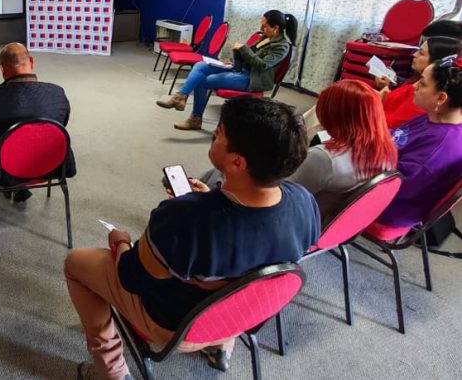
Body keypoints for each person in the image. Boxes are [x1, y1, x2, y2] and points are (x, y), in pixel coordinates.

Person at [64, 96, 319, 379]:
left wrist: (121, 241)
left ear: (236, 161)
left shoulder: (184, 218)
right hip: (241, 316)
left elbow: (130, 277)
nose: (214, 134)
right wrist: (211, 199)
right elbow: (253, 237)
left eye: (220, 132)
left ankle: (111, 372)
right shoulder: (305, 203)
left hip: (177, 324)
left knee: (76, 263)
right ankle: (222, 346)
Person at [157, 10, 297, 131]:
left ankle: (195, 118)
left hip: (252, 79)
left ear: (276, 28)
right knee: (200, 65)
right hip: (241, 70)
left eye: (264, 26)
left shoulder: (282, 47)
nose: (261, 27)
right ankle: (180, 97)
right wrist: (234, 58)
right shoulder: (264, 37)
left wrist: (243, 48)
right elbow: (248, 57)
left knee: (202, 81)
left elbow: (261, 65)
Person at [303, 33, 461, 139]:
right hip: (375, 112)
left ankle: (296, 140)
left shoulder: (424, 100)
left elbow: (389, 128)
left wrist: (372, 103)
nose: (414, 54)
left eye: (421, 53)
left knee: (328, 106)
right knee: (333, 96)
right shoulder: (417, 82)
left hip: (371, 124)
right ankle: (297, 133)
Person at [0, 42, 75, 202]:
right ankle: (20, 186)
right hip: (53, 166)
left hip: (5, 170)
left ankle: (14, 185)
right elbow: (63, 124)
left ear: (2, 70)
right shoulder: (57, 93)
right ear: (31, 62)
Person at [370, 57, 462, 236]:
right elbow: (395, 136)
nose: (414, 87)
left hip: (386, 204)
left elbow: (391, 186)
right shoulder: (435, 117)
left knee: (320, 165)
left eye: (422, 84)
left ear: (441, 98)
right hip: (379, 172)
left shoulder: (438, 146)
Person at [290, 80, 398, 225]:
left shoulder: (324, 158)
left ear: (331, 115)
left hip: (298, 224)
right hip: (334, 224)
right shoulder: (386, 151)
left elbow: (279, 194)